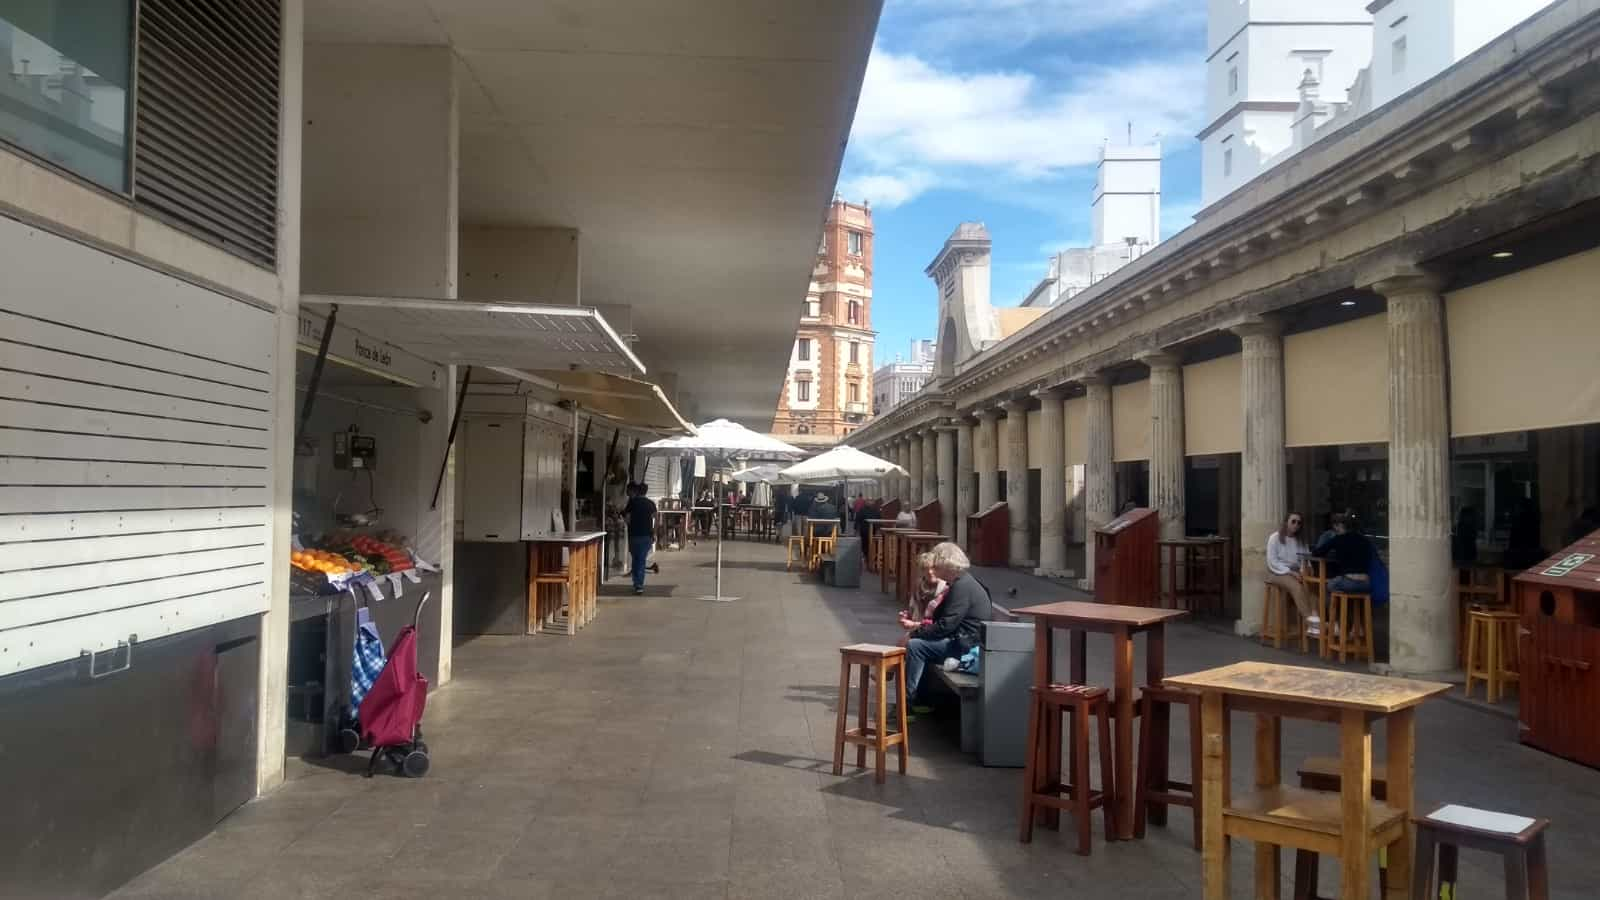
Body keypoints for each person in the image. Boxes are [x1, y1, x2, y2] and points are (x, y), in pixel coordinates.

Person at [902, 542, 985, 714]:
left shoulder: (962, 587)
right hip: (963, 640)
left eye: (936, 564)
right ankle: (920, 700)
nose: (934, 568)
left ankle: (908, 704)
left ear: (945, 564)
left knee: (916, 646)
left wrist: (916, 633)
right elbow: (944, 622)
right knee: (919, 643)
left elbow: (946, 624)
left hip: (964, 647)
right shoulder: (962, 583)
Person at [1266, 512, 1318, 636]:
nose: (1296, 525)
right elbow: (1272, 561)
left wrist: (1305, 571)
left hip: (1296, 572)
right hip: (1277, 572)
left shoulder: (1300, 541)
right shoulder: (1275, 537)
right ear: (1286, 522)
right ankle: (1310, 622)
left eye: (1299, 523)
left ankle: (1316, 617)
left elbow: (1305, 560)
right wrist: (1291, 572)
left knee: (1313, 586)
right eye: (1293, 521)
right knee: (1296, 586)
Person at [1313, 513, 1373, 597]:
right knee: (1340, 584)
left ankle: (1333, 609)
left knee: (1329, 585)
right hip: (1367, 584)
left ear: (1336, 526)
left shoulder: (1337, 539)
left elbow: (1317, 553)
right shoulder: (1363, 539)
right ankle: (1346, 605)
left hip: (1349, 583)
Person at [622, 482, 657, 596]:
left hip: (633, 535)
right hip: (646, 536)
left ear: (637, 491)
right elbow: (656, 519)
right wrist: (654, 532)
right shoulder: (651, 504)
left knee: (636, 559)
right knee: (641, 560)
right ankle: (639, 584)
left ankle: (636, 582)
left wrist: (631, 525)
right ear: (646, 491)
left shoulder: (632, 503)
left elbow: (627, 519)